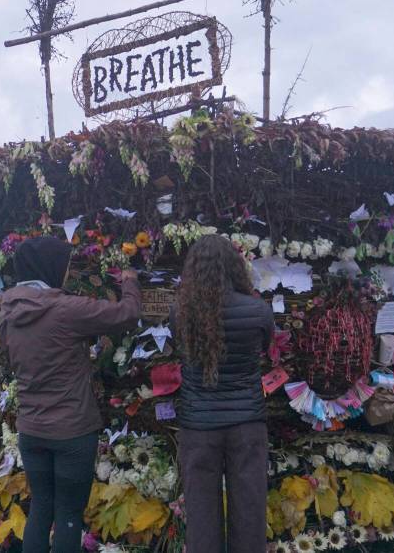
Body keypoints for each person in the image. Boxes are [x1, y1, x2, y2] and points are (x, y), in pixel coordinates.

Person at [0, 237, 140, 553]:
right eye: (64, 266)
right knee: (68, 516)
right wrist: (130, 283)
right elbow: (126, 315)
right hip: (71, 430)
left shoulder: (8, 310)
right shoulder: (66, 309)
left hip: (31, 429)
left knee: (40, 509)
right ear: (51, 268)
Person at [171, 234, 273, 553]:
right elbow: (266, 351)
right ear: (235, 267)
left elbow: (180, 350)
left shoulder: (180, 314)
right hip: (247, 425)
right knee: (250, 514)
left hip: (198, 427)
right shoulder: (258, 311)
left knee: (201, 518)